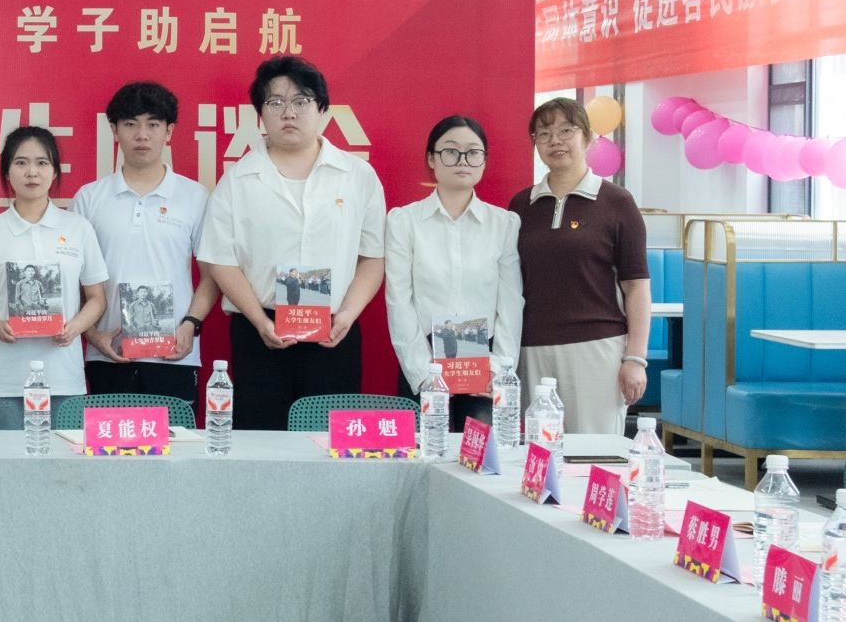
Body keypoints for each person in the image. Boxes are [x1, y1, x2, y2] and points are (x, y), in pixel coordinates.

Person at [197, 56, 388, 430]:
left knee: (330, 440)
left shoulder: (357, 176)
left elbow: (372, 257)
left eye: (301, 101)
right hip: (260, 331)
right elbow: (220, 259)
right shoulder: (238, 179)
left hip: (334, 330)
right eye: (275, 102)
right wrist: (258, 320)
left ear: (321, 109)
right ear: (260, 115)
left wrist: (348, 314)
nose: (288, 112)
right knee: (262, 440)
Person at [508, 97, 650, 436]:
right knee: (539, 452)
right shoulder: (521, 205)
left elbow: (636, 287)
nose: (555, 141)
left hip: (597, 349)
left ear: (588, 137)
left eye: (566, 131)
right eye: (544, 134)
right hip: (532, 348)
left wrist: (635, 359)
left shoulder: (617, 202)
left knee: (593, 452)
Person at [74, 80, 219, 404]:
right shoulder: (89, 198)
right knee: (110, 437)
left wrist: (191, 326)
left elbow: (211, 276)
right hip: (109, 352)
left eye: (153, 124)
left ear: (169, 131)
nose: (142, 135)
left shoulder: (194, 196)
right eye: (130, 124)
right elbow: (75, 280)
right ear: (114, 130)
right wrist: (92, 334)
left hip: (175, 354)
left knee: (176, 439)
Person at [384, 115, 523, 431]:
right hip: (423, 357)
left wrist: (499, 370)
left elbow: (511, 303)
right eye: (450, 151)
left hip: (484, 365)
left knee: (480, 455)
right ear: (431, 159)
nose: (462, 160)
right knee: (423, 454)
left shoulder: (504, 224)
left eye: (473, 152)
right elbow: (398, 301)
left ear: (484, 160)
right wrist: (423, 373)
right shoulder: (404, 221)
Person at [0, 126, 107, 428]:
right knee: (7, 458)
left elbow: (97, 298)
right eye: (21, 163)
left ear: (54, 172)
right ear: (7, 172)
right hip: (3, 379)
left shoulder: (78, 228)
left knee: (63, 459)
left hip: (63, 377)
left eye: (42, 163)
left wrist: (74, 328)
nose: (32, 172)